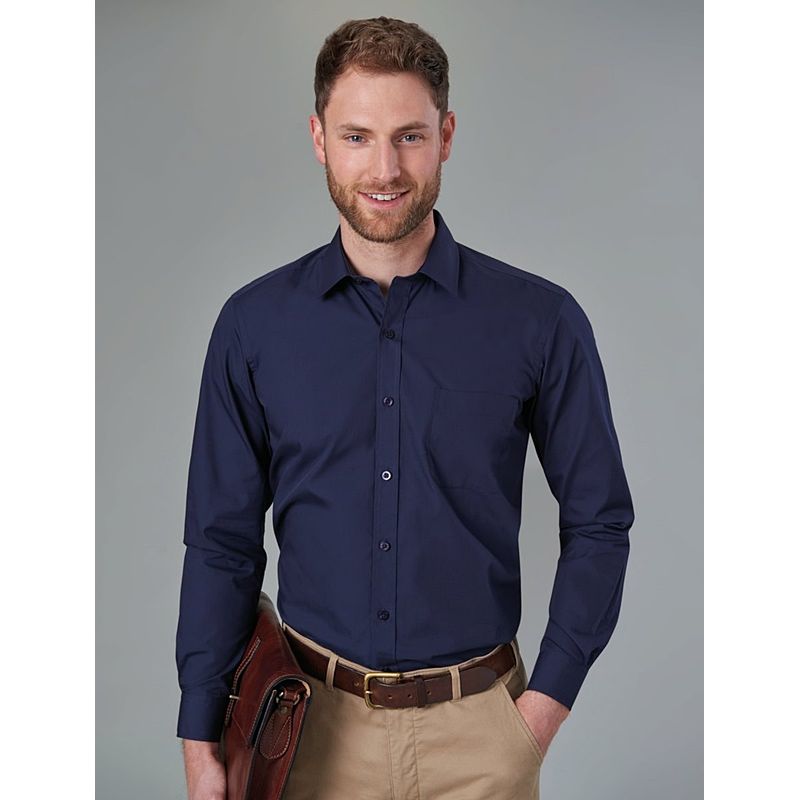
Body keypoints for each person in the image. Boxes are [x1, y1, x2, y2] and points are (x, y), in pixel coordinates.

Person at [176, 15, 635, 800]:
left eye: (409, 137)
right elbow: (221, 544)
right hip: (306, 741)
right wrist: (199, 731)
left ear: (446, 136)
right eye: (357, 137)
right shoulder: (254, 327)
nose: (384, 168)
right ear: (319, 139)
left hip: (483, 741)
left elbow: (600, 522)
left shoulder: (539, 321)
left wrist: (538, 714)